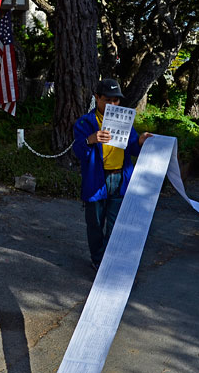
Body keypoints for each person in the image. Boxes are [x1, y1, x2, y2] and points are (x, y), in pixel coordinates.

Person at [73, 78, 152, 271]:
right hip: (96, 179)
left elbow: (132, 147)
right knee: (95, 224)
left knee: (117, 223)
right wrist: (90, 140)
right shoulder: (85, 122)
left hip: (120, 177)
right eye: (107, 100)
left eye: (116, 100)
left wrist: (140, 140)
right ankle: (98, 259)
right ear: (97, 98)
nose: (113, 105)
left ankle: (111, 258)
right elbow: (78, 152)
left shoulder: (124, 120)